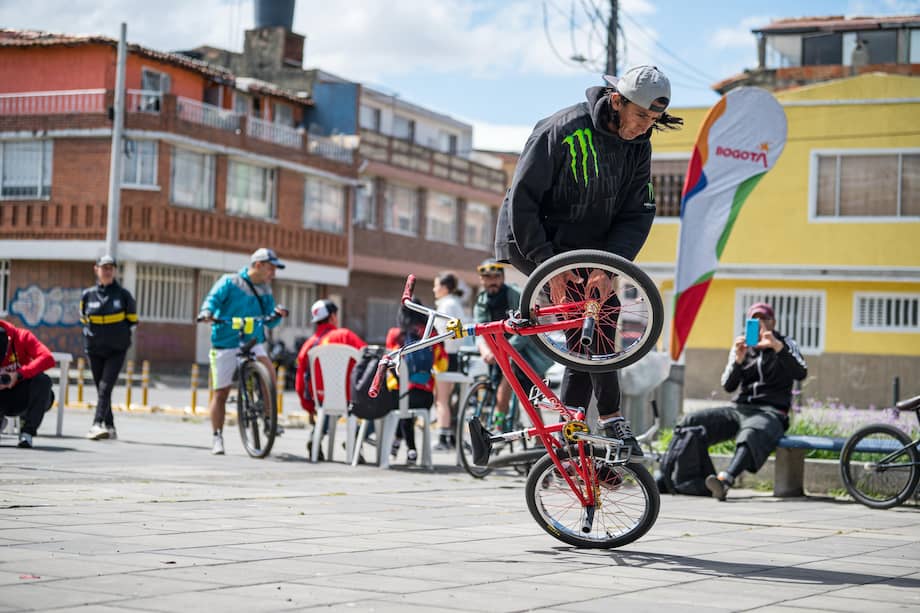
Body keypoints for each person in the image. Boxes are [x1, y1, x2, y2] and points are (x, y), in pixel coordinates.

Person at [493, 65, 683, 455]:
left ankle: (574, 418)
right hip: (535, 238)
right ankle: (608, 418)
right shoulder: (561, 129)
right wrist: (548, 265)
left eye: (654, 120)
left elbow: (638, 212)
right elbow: (523, 201)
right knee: (589, 317)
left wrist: (610, 264)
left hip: (588, 246)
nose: (646, 127)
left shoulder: (638, 144)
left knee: (599, 316)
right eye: (641, 116)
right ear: (617, 101)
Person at [678, 302, 808, 501]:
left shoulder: (786, 343)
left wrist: (777, 347)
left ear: (773, 322)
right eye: (754, 320)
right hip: (740, 409)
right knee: (691, 421)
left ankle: (725, 480)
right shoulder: (743, 345)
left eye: (765, 319)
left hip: (771, 412)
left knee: (752, 432)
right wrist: (739, 360)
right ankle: (686, 480)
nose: (760, 323)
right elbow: (728, 386)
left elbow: (801, 372)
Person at [198, 247, 288, 455]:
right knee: (221, 393)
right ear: (258, 265)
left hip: (251, 339)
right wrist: (207, 313)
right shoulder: (229, 282)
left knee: (269, 372)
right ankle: (217, 437)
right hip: (225, 340)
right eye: (271, 268)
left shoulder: (266, 289)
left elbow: (271, 321)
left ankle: (268, 418)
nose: (273, 273)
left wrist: (277, 314)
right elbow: (212, 300)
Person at [473, 259, 552, 426]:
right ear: (481, 280)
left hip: (523, 349)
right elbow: (478, 330)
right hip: (497, 350)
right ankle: (499, 424)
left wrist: (506, 349)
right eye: (487, 277)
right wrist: (485, 350)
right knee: (503, 375)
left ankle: (503, 423)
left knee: (528, 393)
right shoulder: (481, 301)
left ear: (502, 278)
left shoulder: (515, 294)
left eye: (495, 277)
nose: (492, 281)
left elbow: (527, 326)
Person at [295, 298, 366, 460]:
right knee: (356, 404)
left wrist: (308, 406)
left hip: (320, 399)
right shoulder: (344, 336)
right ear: (333, 316)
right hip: (348, 398)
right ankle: (355, 442)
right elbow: (366, 353)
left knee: (327, 406)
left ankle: (316, 436)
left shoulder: (308, 345)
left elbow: (300, 381)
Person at [80, 255, 138, 440]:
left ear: (115, 271)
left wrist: (118, 336)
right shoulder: (87, 295)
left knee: (105, 388)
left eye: (111, 268)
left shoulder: (123, 295)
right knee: (101, 389)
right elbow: (84, 319)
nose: (107, 271)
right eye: (104, 267)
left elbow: (133, 322)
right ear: (96, 269)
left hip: (116, 350)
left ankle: (96, 424)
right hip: (94, 349)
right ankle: (110, 426)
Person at [386, 298, 447, 465]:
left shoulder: (395, 334)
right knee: (408, 409)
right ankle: (402, 445)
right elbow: (442, 364)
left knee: (403, 407)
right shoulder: (432, 334)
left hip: (398, 394)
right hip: (425, 394)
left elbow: (390, 362)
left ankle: (408, 448)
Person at [0, 320, 55, 448]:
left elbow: (47, 358)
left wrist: (18, 374)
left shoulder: (22, 337)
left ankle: (27, 432)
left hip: (21, 395)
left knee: (43, 381)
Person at [431, 271, 467, 450]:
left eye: (436, 285)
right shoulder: (455, 304)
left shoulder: (446, 305)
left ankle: (443, 438)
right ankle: (450, 437)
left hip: (445, 355)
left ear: (445, 288)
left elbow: (440, 333)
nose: (434, 289)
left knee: (441, 399)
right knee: (447, 398)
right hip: (455, 355)